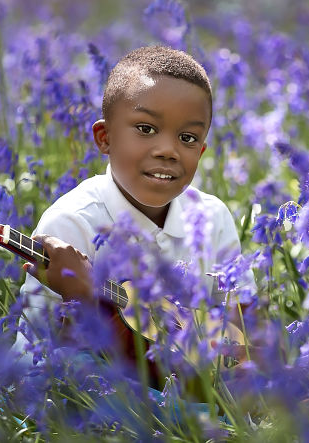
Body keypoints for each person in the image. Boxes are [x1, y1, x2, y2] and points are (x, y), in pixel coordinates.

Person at [13, 44, 251, 361]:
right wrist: (85, 298)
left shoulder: (213, 217)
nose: (168, 150)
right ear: (104, 138)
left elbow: (242, 332)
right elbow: (32, 357)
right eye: (146, 129)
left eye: (188, 138)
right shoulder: (71, 223)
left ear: (202, 153)